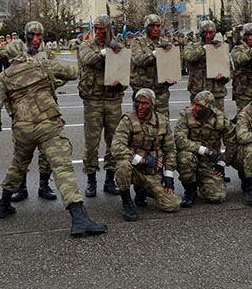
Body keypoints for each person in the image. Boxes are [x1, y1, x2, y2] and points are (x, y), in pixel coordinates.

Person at [0, 40, 106, 237]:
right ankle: (79, 218)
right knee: (62, 168)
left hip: (23, 129)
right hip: (47, 124)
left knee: (18, 165)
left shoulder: (3, 77)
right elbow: (72, 72)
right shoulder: (41, 64)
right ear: (24, 51)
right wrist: (54, 79)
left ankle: (4, 204)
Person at [111, 88, 181, 221]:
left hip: (152, 173)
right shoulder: (128, 120)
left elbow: (170, 149)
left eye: (145, 103)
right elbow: (117, 147)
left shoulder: (162, 122)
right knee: (123, 165)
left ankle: (143, 191)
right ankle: (127, 202)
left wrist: (169, 175)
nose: (140, 107)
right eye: (138, 102)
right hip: (135, 170)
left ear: (152, 105)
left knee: (173, 204)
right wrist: (143, 160)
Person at [77, 15, 125, 197]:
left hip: (113, 99)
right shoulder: (86, 44)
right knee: (92, 142)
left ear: (108, 29)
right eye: (96, 29)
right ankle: (91, 180)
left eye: (102, 29)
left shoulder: (118, 46)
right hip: (93, 100)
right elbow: (88, 59)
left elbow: (123, 71)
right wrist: (106, 52)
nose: (98, 32)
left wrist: (119, 82)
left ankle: (109, 180)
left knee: (114, 142)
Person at [174, 90, 234, 207]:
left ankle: (202, 181)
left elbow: (232, 143)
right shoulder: (185, 115)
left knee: (218, 196)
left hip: (208, 164)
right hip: (191, 159)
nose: (194, 108)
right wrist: (204, 150)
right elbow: (179, 140)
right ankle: (190, 191)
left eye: (199, 106)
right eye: (194, 104)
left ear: (209, 108)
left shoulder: (220, 119)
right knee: (185, 158)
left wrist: (222, 163)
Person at [130, 14, 176, 116]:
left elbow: (173, 65)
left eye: (158, 26)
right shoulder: (137, 42)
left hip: (161, 93)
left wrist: (172, 78)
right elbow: (139, 60)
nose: (156, 28)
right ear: (146, 27)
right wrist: (157, 53)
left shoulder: (166, 43)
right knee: (141, 126)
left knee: (162, 125)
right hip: (143, 93)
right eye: (152, 26)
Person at [183, 20, 230, 111]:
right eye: (205, 33)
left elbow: (230, 68)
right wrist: (205, 48)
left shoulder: (222, 48)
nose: (208, 36)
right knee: (197, 121)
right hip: (198, 92)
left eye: (211, 33)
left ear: (215, 33)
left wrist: (224, 77)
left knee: (218, 122)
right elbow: (188, 56)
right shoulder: (192, 46)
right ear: (200, 33)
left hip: (217, 93)